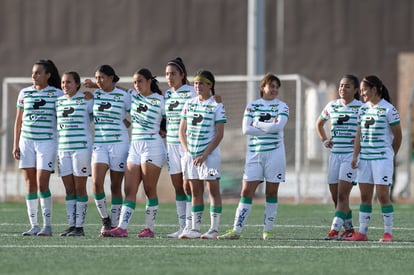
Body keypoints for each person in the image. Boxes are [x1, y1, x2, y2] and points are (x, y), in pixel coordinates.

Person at [218, 73, 288, 240]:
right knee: (246, 191)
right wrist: (268, 126)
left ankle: (267, 231)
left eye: (276, 87)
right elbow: (246, 129)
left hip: (275, 154)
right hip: (255, 155)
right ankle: (237, 230)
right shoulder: (252, 106)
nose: (274, 90)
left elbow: (277, 127)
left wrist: (257, 123)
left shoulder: (282, 106)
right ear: (262, 88)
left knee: (271, 193)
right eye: (271, 86)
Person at [103, 68, 166, 238]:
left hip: (153, 146)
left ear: (149, 81)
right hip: (135, 146)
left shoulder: (161, 100)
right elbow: (118, 90)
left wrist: (165, 130)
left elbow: (173, 118)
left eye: (140, 81)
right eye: (135, 82)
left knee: (149, 188)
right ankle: (122, 228)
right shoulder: (133, 95)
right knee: (129, 189)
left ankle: (149, 229)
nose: (137, 85)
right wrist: (95, 85)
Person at [345, 75, 402, 242]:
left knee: (383, 196)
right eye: (361, 90)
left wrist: (391, 155)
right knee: (365, 197)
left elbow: (398, 137)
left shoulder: (389, 109)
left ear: (374, 89)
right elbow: (359, 135)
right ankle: (362, 233)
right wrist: (356, 155)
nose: (361, 93)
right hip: (365, 159)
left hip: (382, 159)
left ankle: (388, 233)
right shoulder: (362, 109)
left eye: (364, 90)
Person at [13, 59, 63, 236]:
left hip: (46, 142)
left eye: (38, 73)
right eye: (33, 73)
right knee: (30, 185)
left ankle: (47, 226)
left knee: (42, 184)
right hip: (26, 142)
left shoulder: (57, 94)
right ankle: (34, 225)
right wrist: (15, 144)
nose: (34, 76)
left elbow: (65, 117)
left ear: (48, 75)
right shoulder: (24, 93)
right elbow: (19, 121)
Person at [178, 70, 226, 239]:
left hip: (210, 157)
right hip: (191, 156)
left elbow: (219, 134)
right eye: (196, 83)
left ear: (210, 85)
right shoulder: (189, 104)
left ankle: (213, 229)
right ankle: (195, 229)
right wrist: (188, 152)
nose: (197, 86)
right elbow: (181, 131)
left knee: (213, 190)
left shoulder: (217, 105)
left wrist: (205, 154)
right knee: (195, 191)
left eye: (201, 83)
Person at [316, 75, 362, 240]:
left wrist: (360, 141)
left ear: (356, 90)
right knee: (336, 198)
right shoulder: (332, 105)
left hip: (350, 156)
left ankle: (333, 231)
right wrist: (325, 140)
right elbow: (319, 124)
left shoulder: (361, 107)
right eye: (341, 86)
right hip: (334, 156)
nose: (343, 89)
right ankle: (349, 230)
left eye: (347, 86)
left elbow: (370, 129)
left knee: (343, 196)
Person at [91, 65, 131, 236]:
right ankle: (105, 220)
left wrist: (125, 125)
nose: (98, 81)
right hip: (100, 144)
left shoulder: (124, 96)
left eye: (101, 77)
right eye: (96, 78)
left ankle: (114, 224)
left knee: (116, 185)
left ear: (111, 77)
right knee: (96, 183)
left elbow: (136, 115)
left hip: (119, 144)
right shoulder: (94, 95)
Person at [56, 71, 93, 237]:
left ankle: (80, 227)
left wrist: (124, 121)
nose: (65, 85)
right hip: (63, 150)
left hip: (81, 149)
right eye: (63, 83)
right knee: (69, 190)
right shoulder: (58, 102)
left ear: (77, 84)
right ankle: (71, 225)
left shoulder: (86, 100)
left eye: (69, 82)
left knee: (80, 189)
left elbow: (103, 114)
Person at [164, 57, 197, 238]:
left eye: (173, 74)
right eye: (167, 74)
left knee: (188, 186)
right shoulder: (168, 95)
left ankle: (192, 226)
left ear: (182, 75)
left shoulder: (191, 92)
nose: (170, 77)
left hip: (187, 146)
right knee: (177, 186)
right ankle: (182, 226)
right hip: (171, 145)